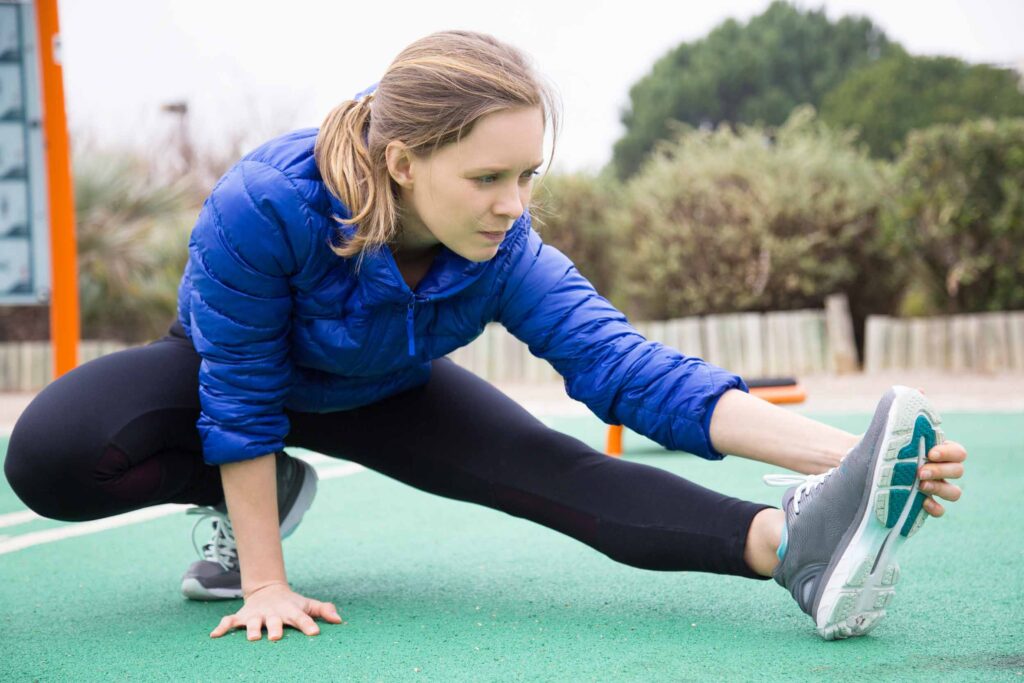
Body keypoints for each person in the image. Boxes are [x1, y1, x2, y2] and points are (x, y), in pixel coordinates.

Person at [3, 30, 966, 643]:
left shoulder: (506, 248)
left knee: (558, 469)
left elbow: (632, 374)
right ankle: (260, 493)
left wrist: (865, 458)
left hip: (383, 389)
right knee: (53, 453)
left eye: (529, 176)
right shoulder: (266, 205)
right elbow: (243, 391)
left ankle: (790, 545)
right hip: (229, 374)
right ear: (404, 160)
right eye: (488, 178)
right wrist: (265, 581)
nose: (514, 205)